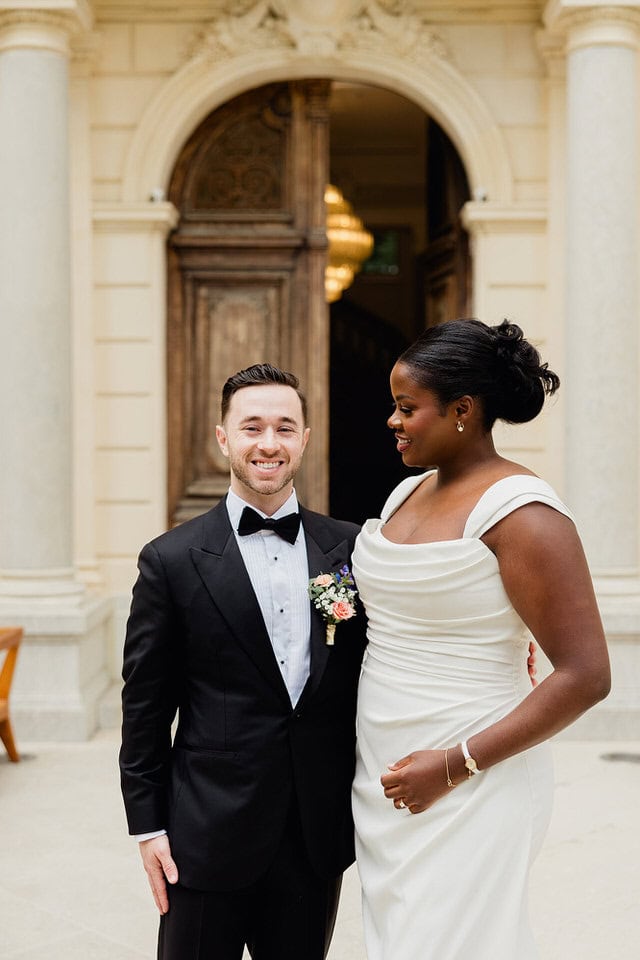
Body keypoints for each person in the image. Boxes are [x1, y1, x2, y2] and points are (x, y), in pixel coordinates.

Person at [351, 318, 610, 960]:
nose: (392, 420)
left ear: (463, 410)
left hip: (473, 777)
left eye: (408, 407)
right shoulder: (407, 493)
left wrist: (454, 763)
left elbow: (586, 674)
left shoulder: (524, 514)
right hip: (385, 772)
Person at [119, 363, 366, 960]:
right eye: (252, 426)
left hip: (313, 836)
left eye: (285, 427)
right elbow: (145, 709)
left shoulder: (353, 548)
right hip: (204, 833)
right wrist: (148, 827)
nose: (269, 443)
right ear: (223, 437)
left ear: (305, 438)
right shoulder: (170, 560)